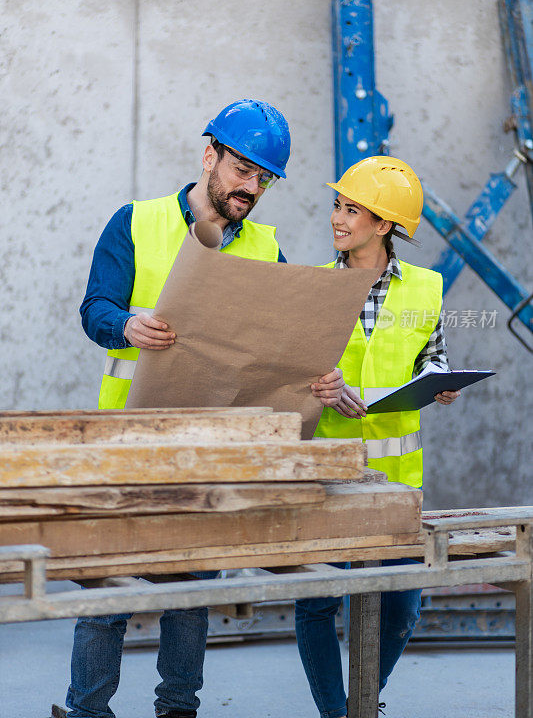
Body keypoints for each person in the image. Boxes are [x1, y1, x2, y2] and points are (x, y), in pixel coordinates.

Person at [70, 99, 344, 718]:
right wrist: (126, 325)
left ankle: (178, 708)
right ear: (209, 156)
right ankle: (87, 710)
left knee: (193, 585)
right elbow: (95, 309)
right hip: (127, 442)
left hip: (211, 447)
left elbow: (278, 346)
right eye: (242, 169)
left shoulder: (266, 247)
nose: (250, 187)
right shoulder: (135, 224)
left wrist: (313, 374)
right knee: (107, 587)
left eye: (263, 178)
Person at [301, 156, 461, 718]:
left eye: (351, 209)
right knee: (319, 603)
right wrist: (314, 384)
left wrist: (441, 384)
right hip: (329, 471)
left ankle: (359, 702)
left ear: (385, 224)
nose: (336, 219)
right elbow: (289, 370)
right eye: (337, 206)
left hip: (397, 479)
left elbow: (433, 355)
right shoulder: (316, 286)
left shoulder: (426, 288)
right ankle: (336, 714)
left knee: (402, 608)